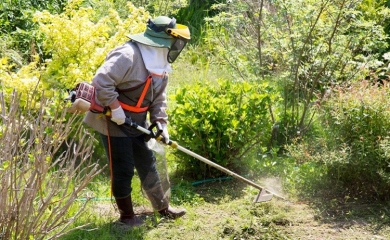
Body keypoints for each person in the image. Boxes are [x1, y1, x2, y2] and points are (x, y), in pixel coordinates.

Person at [83, 16, 191, 227]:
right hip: (112, 120)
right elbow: (101, 81)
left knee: (148, 163)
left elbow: (159, 98)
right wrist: (115, 108)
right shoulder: (128, 55)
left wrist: (160, 123)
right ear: (163, 39)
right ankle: (127, 218)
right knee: (123, 168)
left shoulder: (161, 62)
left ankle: (162, 208)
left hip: (138, 122)